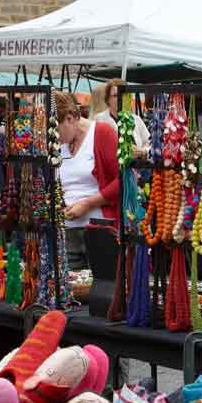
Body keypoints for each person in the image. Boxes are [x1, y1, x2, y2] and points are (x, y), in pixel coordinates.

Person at [55, 91, 120, 270]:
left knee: (101, 289)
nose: (55, 136)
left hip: (99, 230)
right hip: (66, 232)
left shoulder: (101, 133)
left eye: (56, 129)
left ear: (70, 118)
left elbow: (123, 180)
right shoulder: (59, 143)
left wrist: (88, 203)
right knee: (71, 290)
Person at [91, 79, 150, 155]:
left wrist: (143, 151)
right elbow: (95, 148)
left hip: (138, 166)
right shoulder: (99, 120)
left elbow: (148, 142)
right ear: (108, 99)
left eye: (123, 95)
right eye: (115, 95)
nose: (120, 98)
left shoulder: (136, 119)